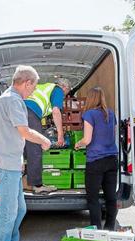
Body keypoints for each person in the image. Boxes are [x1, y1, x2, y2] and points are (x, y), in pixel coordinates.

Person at [0, 65, 52, 241]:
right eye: (33, 87)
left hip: (11, 162)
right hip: (6, 164)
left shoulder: (8, 98)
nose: (33, 91)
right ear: (27, 82)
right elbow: (24, 131)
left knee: (20, 208)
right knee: (8, 211)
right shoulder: (13, 99)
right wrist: (44, 140)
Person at [74, 87, 118, 230]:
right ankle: (110, 227)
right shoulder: (111, 114)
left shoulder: (89, 114)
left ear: (90, 99)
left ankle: (96, 229)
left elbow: (87, 140)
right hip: (112, 159)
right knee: (111, 197)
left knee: (93, 198)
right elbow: (112, 135)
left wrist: (78, 144)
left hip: (95, 161)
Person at [24, 78, 71, 193]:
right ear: (64, 87)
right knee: (35, 148)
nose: (64, 97)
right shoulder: (58, 90)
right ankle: (38, 186)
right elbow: (56, 111)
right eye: (66, 93)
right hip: (30, 112)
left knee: (24, 148)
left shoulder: (44, 87)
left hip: (19, 110)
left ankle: (24, 181)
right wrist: (60, 134)